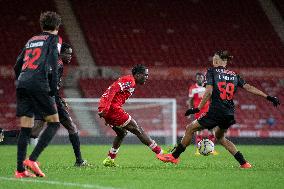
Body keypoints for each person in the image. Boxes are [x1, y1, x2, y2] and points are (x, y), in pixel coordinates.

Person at [157, 50, 280, 168]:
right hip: (229, 113)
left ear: (215, 61)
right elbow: (249, 87)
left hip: (216, 111)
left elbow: (209, 91)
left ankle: (174, 156)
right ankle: (244, 163)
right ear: (225, 62)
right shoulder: (234, 75)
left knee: (190, 128)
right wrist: (268, 97)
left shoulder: (211, 72)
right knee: (220, 137)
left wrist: (198, 108)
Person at [14, 11, 62, 178]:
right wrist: (54, 88)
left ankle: (20, 170)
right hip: (38, 82)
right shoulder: (53, 39)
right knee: (55, 123)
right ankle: (32, 159)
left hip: (22, 82)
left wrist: (21, 80)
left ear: (42, 25)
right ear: (57, 26)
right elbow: (54, 63)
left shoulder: (31, 40)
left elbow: (17, 65)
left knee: (25, 128)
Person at [31, 42, 88, 167]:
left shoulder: (53, 62)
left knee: (34, 132)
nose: (70, 57)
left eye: (71, 54)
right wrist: (55, 99)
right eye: (68, 54)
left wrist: (59, 98)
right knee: (72, 127)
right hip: (50, 100)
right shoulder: (57, 63)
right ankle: (79, 161)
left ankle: (5, 133)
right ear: (60, 53)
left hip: (45, 99)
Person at [98, 64, 164, 167]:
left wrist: (105, 111)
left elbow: (112, 92)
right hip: (111, 109)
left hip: (108, 109)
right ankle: (161, 153)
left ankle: (110, 159)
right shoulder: (130, 81)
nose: (147, 77)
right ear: (137, 75)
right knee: (137, 129)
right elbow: (113, 89)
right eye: (145, 75)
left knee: (121, 133)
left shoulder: (130, 81)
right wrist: (106, 109)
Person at [187, 73, 218, 155]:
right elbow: (190, 101)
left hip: (208, 111)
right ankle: (198, 149)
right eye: (198, 77)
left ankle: (212, 149)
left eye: (201, 77)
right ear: (196, 78)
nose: (199, 79)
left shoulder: (207, 86)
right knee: (198, 130)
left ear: (203, 78)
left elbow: (212, 98)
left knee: (211, 129)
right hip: (198, 112)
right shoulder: (193, 88)